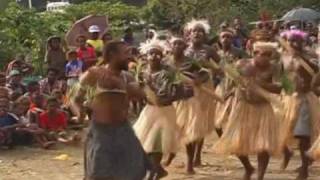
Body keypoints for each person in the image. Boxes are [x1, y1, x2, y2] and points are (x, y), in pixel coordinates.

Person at [73, 40, 150, 180]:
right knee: (99, 174)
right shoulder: (94, 74)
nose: (129, 56)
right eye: (125, 53)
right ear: (112, 54)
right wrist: (80, 115)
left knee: (133, 172)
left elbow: (143, 95)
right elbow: (73, 98)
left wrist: (145, 82)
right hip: (101, 132)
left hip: (123, 130)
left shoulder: (127, 77)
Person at [214, 41, 281, 180]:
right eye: (263, 54)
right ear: (254, 53)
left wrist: (261, 84)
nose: (266, 58)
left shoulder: (275, 67)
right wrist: (229, 95)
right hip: (243, 107)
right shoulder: (241, 64)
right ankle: (248, 167)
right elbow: (231, 82)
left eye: (269, 55)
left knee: (264, 145)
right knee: (236, 144)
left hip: (263, 109)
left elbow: (283, 87)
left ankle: (260, 176)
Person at [133, 39, 193, 179]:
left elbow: (179, 91)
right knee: (143, 145)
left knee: (157, 144)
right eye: (151, 54)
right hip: (149, 111)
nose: (154, 56)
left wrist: (169, 98)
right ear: (146, 56)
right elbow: (138, 91)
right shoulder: (142, 72)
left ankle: (152, 173)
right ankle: (158, 170)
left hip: (165, 112)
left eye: (157, 54)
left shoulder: (169, 73)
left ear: (162, 56)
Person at [279, 29, 320, 180]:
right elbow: (283, 77)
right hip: (289, 98)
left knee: (303, 135)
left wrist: (304, 60)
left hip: (305, 99)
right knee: (281, 133)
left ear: (303, 43)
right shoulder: (284, 57)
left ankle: (304, 168)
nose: (295, 44)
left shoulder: (310, 56)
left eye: (298, 41)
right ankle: (287, 152)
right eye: (291, 41)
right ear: (287, 42)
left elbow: (316, 71)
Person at [183, 19, 220, 171]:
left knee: (199, 123)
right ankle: (189, 160)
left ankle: (197, 155)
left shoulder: (210, 50)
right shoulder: (183, 49)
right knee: (187, 123)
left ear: (205, 35)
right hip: (187, 89)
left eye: (200, 31)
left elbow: (220, 68)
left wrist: (207, 70)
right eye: (194, 31)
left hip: (205, 88)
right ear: (189, 35)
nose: (197, 33)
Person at [214, 30, 248, 134]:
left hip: (236, 86)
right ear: (220, 39)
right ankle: (223, 139)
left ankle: (236, 140)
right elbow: (214, 72)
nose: (226, 39)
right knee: (217, 120)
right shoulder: (217, 54)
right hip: (222, 87)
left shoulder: (239, 52)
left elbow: (247, 68)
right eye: (223, 37)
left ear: (232, 39)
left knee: (235, 117)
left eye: (228, 37)